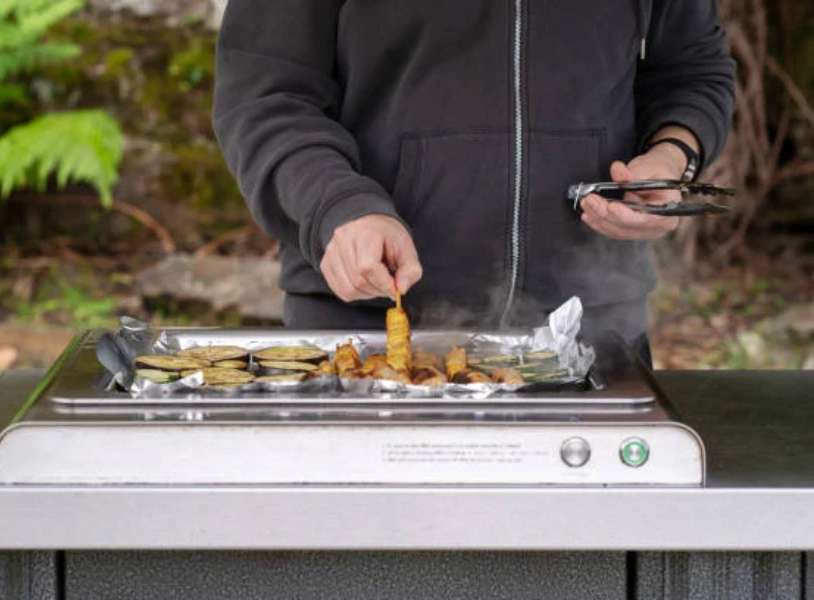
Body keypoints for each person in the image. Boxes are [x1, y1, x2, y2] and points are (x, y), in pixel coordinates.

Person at [213, 1, 735, 362]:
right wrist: (339, 206)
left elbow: (691, 67)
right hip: (370, 332)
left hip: (589, 333)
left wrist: (672, 156)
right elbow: (268, 97)